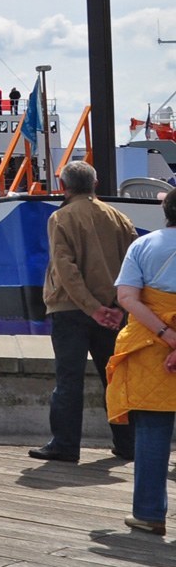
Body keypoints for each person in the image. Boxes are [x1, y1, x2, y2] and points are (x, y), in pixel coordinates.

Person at [33, 161, 141, 463]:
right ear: (96, 183)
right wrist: (116, 307)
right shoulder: (119, 218)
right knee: (116, 379)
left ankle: (65, 445)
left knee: (69, 379)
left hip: (71, 309)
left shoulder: (60, 218)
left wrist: (92, 309)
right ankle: (127, 443)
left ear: (63, 186)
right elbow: (133, 269)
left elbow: (65, 270)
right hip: (113, 312)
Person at [109, 194, 176, 533]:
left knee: (152, 431)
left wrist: (167, 334)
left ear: (166, 211)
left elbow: (126, 298)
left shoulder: (144, 245)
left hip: (152, 348)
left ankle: (149, 513)